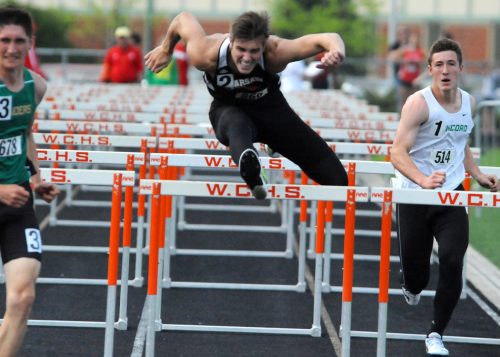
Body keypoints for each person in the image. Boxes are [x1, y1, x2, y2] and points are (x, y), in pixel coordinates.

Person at [145, 11, 348, 199]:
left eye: (254, 51)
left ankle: (272, 144)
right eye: (241, 50)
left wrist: (336, 50)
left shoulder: (275, 52)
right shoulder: (205, 53)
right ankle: (252, 169)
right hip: (228, 111)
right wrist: (166, 48)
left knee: (338, 180)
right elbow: (183, 18)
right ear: (231, 41)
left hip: (271, 111)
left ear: (264, 45)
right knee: (237, 124)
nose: (247, 58)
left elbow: (328, 37)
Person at [390, 38, 499, 356]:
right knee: (417, 278)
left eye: (451, 63)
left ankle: (435, 334)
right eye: (439, 64)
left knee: (453, 259)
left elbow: (459, 142)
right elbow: (397, 152)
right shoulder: (418, 103)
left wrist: (477, 175)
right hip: (415, 195)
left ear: (461, 68)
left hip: (451, 195)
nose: (445, 70)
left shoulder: (470, 102)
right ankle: (409, 282)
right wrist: (423, 179)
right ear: (430, 70)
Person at [0, 6, 60, 356]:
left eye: (18, 41)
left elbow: (24, 135)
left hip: (19, 202)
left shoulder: (35, 86)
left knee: (23, 297)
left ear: (30, 43)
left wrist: (37, 179)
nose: (11, 48)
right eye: (4, 40)